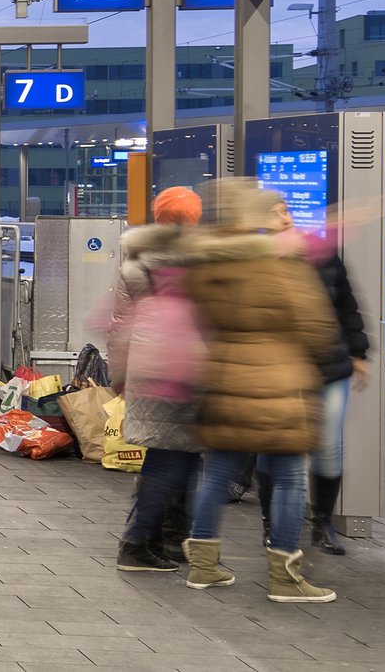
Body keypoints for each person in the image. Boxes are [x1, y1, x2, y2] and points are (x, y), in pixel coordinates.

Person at [182, 182, 342, 603]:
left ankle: (202, 567)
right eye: (279, 210)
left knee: (216, 475)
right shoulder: (282, 264)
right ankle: (286, 578)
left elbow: (200, 320)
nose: (287, 217)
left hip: (225, 379)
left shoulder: (211, 263)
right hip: (278, 384)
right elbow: (318, 330)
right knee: (289, 479)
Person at [108, 185, 207, 573]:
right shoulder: (199, 261)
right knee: (170, 460)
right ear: (194, 218)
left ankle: (162, 539)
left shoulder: (136, 263)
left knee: (173, 457)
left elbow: (118, 328)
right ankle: (137, 543)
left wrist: (119, 376)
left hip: (146, 370)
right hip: (181, 371)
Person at [306, 206, 370, 554]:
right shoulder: (270, 259)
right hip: (289, 366)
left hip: (331, 365)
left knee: (329, 444)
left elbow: (348, 307)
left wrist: (358, 352)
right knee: (279, 449)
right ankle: (274, 525)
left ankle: (322, 522)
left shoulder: (329, 257)